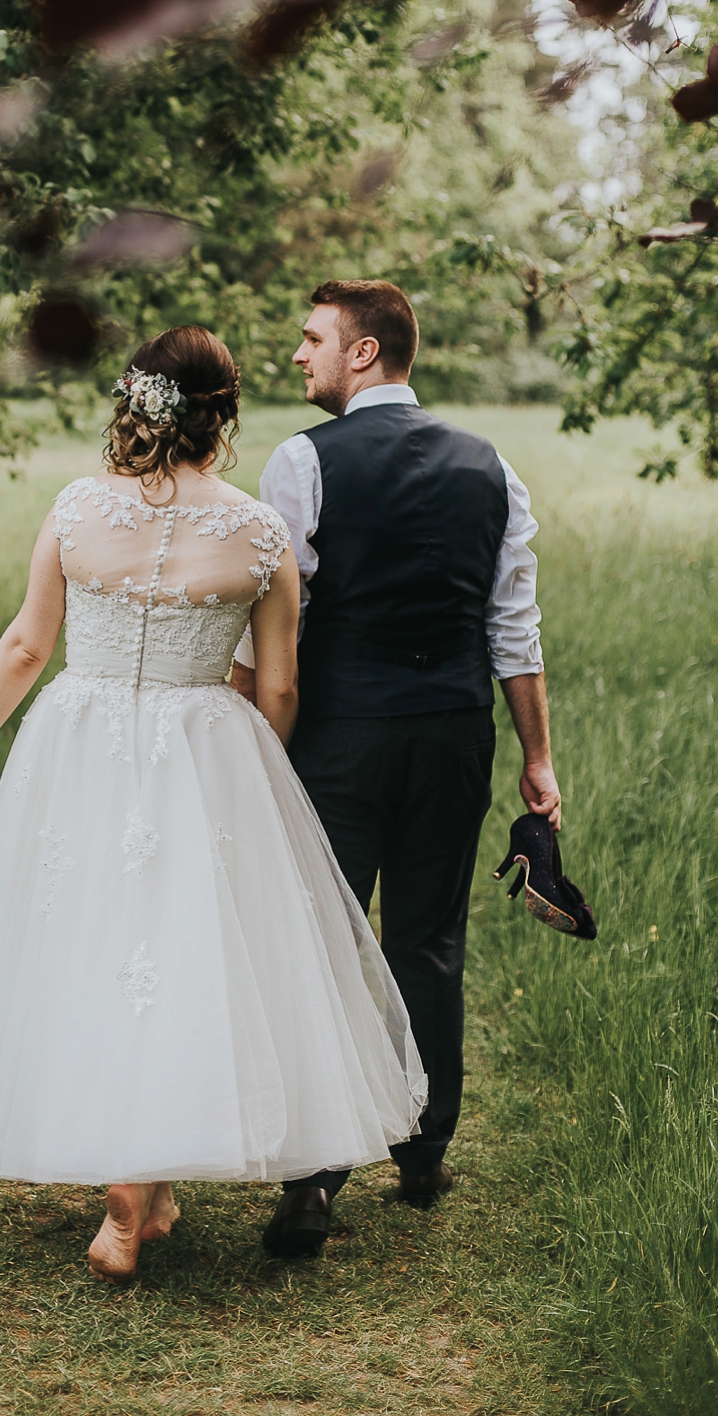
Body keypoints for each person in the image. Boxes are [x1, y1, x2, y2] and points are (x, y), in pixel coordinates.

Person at [0, 325, 426, 1284]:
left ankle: (133, 1198)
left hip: (80, 741)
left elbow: (24, 646)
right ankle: (143, 1189)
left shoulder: (78, 507)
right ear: (222, 415)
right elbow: (282, 688)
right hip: (203, 747)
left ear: (136, 403)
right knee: (179, 951)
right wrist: (259, 769)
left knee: (89, 939)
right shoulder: (259, 533)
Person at [231, 280, 558, 1260]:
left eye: (313, 339)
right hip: (456, 732)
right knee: (428, 939)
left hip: (342, 735)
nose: (299, 356)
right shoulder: (493, 466)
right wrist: (538, 757)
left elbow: (278, 615)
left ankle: (314, 1180)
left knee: (326, 942)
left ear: (363, 353)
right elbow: (513, 628)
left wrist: (249, 733)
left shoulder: (301, 461)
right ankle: (423, 1151)